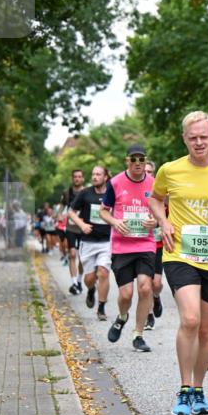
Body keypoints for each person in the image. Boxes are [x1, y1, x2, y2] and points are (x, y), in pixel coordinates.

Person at [148, 111, 208, 415]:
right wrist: (164, 221)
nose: (198, 142)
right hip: (179, 253)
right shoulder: (170, 170)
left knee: (206, 329)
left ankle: (198, 389)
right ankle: (183, 390)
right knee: (191, 319)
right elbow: (155, 199)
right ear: (185, 139)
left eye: (203, 137)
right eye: (192, 137)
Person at [99, 145, 158, 352]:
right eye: (134, 159)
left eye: (141, 160)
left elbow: (162, 212)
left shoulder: (154, 183)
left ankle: (138, 335)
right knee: (125, 294)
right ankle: (122, 317)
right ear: (127, 161)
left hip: (145, 243)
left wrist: (155, 221)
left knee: (145, 287)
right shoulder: (115, 182)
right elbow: (103, 212)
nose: (138, 164)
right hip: (122, 246)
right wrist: (115, 222)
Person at [69, 165, 113, 320]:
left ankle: (101, 308)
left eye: (98, 174)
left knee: (103, 272)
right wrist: (82, 225)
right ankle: (90, 290)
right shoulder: (85, 193)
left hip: (107, 241)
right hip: (88, 242)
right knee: (89, 279)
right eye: (93, 174)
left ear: (105, 177)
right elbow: (71, 212)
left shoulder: (112, 193)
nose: (95, 177)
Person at [143, 160, 164, 331]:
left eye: (150, 171)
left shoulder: (162, 191)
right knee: (146, 282)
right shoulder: (137, 190)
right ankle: (149, 315)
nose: (147, 174)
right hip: (143, 243)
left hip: (159, 244)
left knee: (156, 283)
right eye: (145, 171)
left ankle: (156, 297)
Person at [64, 169, 86, 295]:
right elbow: (62, 207)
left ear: (82, 178)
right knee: (72, 254)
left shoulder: (87, 192)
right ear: (72, 179)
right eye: (75, 177)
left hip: (83, 228)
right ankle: (74, 283)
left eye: (79, 176)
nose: (77, 179)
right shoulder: (67, 193)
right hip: (71, 228)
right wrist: (59, 216)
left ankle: (79, 280)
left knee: (82, 257)